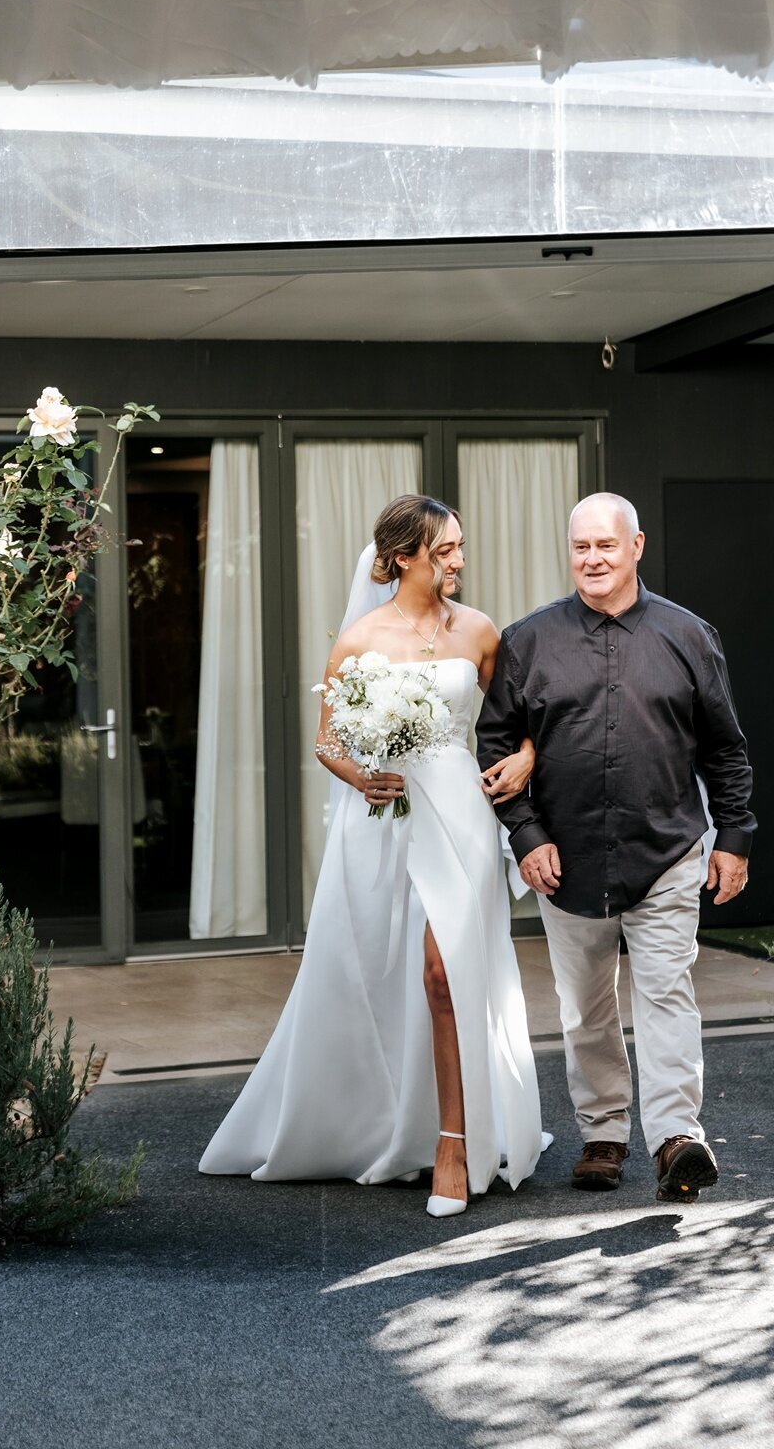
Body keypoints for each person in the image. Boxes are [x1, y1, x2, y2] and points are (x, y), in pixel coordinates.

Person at [200, 494, 549, 1218]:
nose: (458, 559)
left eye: (459, 545)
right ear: (402, 558)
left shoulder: (480, 632)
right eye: (445, 549)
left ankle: (455, 1143)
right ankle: (392, 1124)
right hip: (383, 825)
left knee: (445, 972)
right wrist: (363, 774)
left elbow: (527, 721)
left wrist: (524, 758)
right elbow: (328, 741)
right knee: (394, 978)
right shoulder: (360, 639)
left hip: (457, 817)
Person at [476, 492, 756, 1203]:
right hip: (563, 860)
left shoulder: (689, 636)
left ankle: (674, 1138)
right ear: (569, 553)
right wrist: (526, 834)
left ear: (635, 547)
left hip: (666, 850)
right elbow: (496, 743)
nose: (593, 559)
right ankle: (603, 1132)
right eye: (581, 548)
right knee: (586, 1006)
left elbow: (725, 749)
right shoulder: (528, 641)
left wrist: (735, 836)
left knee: (666, 992)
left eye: (606, 545)